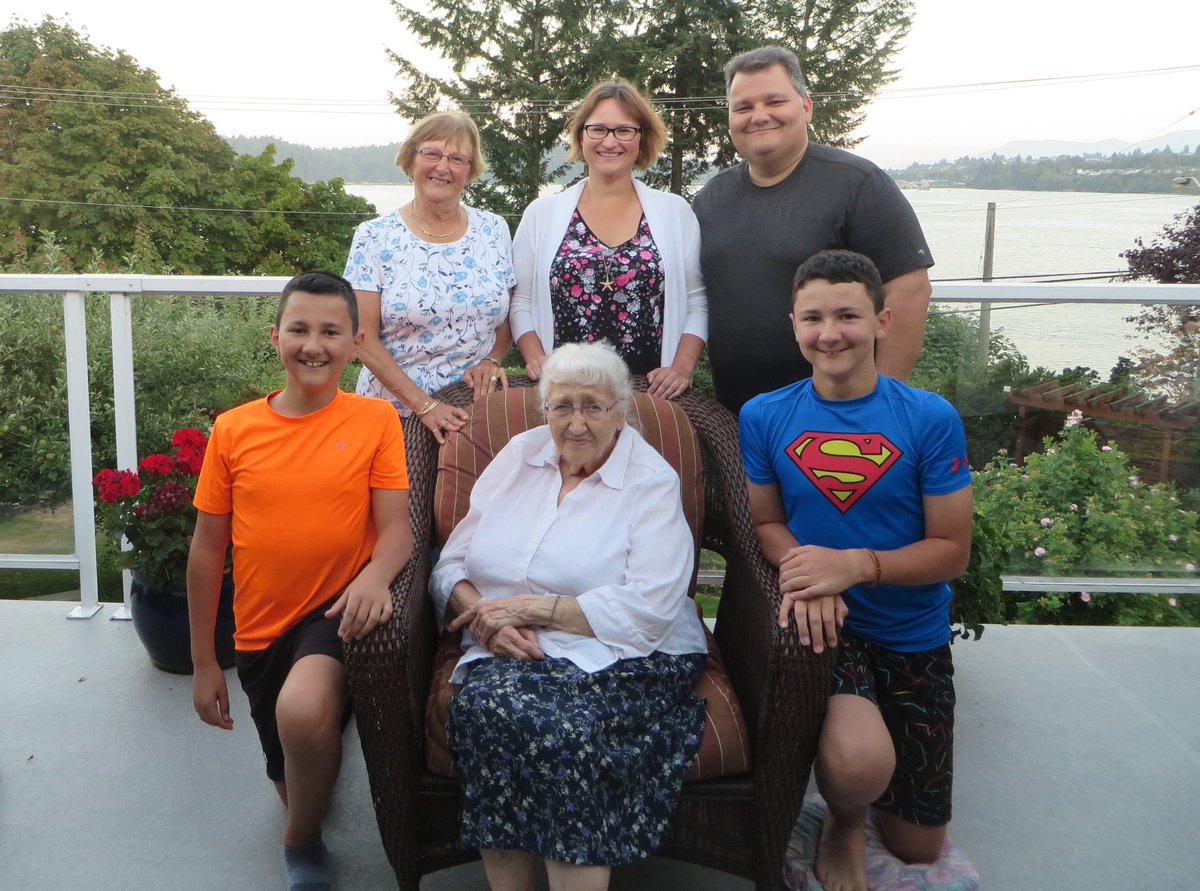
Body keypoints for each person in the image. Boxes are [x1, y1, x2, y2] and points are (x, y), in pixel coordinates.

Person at [429, 342, 708, 891]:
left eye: (593, 406)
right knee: (485, 712)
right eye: (562, 407)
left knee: (564, 732)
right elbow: (451, 563)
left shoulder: (650, 481)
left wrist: (531, 608)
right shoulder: (518, 457)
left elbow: (650, 607)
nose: (576, 423)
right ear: (545, 410)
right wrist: (483, 615)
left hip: (626, 653)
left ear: (622, 411)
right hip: (508, 645)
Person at [738, 251, 972, 891]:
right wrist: (810, 574)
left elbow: (952, 549)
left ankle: (873, 801)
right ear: (794, 325)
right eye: (813, 317)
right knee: (859, 764)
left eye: (848, 315)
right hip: (828, 628)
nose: (830, 332)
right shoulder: (766, 415)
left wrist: (855, 566)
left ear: (882, 320)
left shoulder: (927, 418)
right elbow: (766, 525)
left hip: (913, 631)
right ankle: (844, 820)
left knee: (918, 847)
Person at [187, 272, 413, 891]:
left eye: (331, 332)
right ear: (276, 337)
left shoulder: (375, 421)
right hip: (259, 630)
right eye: (300, 329)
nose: (314, 345)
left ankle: (302, 845)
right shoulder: (233, 430)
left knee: (303, 710)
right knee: (292, 778)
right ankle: (309, 776)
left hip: (335, 612)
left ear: (355, 342)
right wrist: (206, 662)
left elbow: (397, 531)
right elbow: (207, 550)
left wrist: (375, 577)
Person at [693, 45, 934, 415]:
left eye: (774, 101)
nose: (758, 116)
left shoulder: (858, 184)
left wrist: (881, 406)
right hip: (739, 418)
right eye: (743, 107)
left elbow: (909, 290)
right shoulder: (712, 197)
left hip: (841, 415)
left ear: (806, 107)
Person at [510, 79, 707, 400]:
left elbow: (697, 302)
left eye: (624, 130)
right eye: (598, 129)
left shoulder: (675, 212)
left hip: (652, 397)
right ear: (581, 136)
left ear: (642, 138)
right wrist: (534, 357)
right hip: (565, 397)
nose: (610, 141)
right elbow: (520, 302)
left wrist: (681, 367)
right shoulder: (542, 213)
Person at [344, 111, 516, 445]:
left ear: (469, 170)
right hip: (394, 415)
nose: (442, 166)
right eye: (432, 154)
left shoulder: (494, 229)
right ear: (411, 161)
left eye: (457, 158)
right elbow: (362, 339)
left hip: (476, 412)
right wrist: (425, 405)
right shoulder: (374, 237)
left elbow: (506, 317)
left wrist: (492, 358)